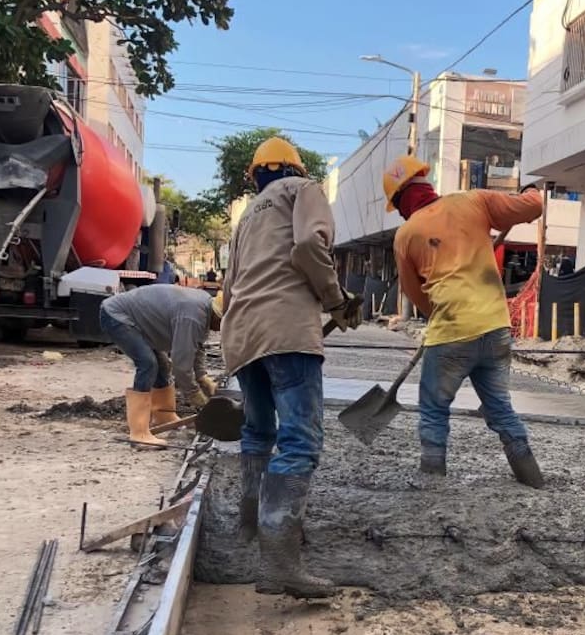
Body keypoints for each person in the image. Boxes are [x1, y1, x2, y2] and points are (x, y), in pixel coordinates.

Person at [220, 136, 360, 598]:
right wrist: (336, 301)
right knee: (299, 441)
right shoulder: (303, 189)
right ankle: (280, 560)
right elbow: (306, 246)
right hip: (285, 330)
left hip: (241, 333)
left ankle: (252, 531)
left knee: (258, 433)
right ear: (293, 168)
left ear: (256, 175)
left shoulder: (245, 219)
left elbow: (230, 283)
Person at [383, 156, 546, 488]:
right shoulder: (474, 201)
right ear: (424, 184)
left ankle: (432, 482)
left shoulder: (406, 234)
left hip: (451, 332)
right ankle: (532, 479)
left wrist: (441, 317)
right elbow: (531, 207)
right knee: (500, 408)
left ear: (401, 200)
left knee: (434, 408)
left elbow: (416, 294)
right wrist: (531, 193)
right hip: (496, 328)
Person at [99, 284, 221, 448]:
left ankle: (164, 416)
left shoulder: (204, 308)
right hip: (117, 316)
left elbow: (196, 345)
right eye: (223, 325)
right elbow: (181, 365)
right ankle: (139, 432)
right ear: (218, 317)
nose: (221, 330)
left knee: (162, 365)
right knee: (147, 363)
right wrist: (194, 394)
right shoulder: (192, 316)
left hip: (138, 320)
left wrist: (202, 377)